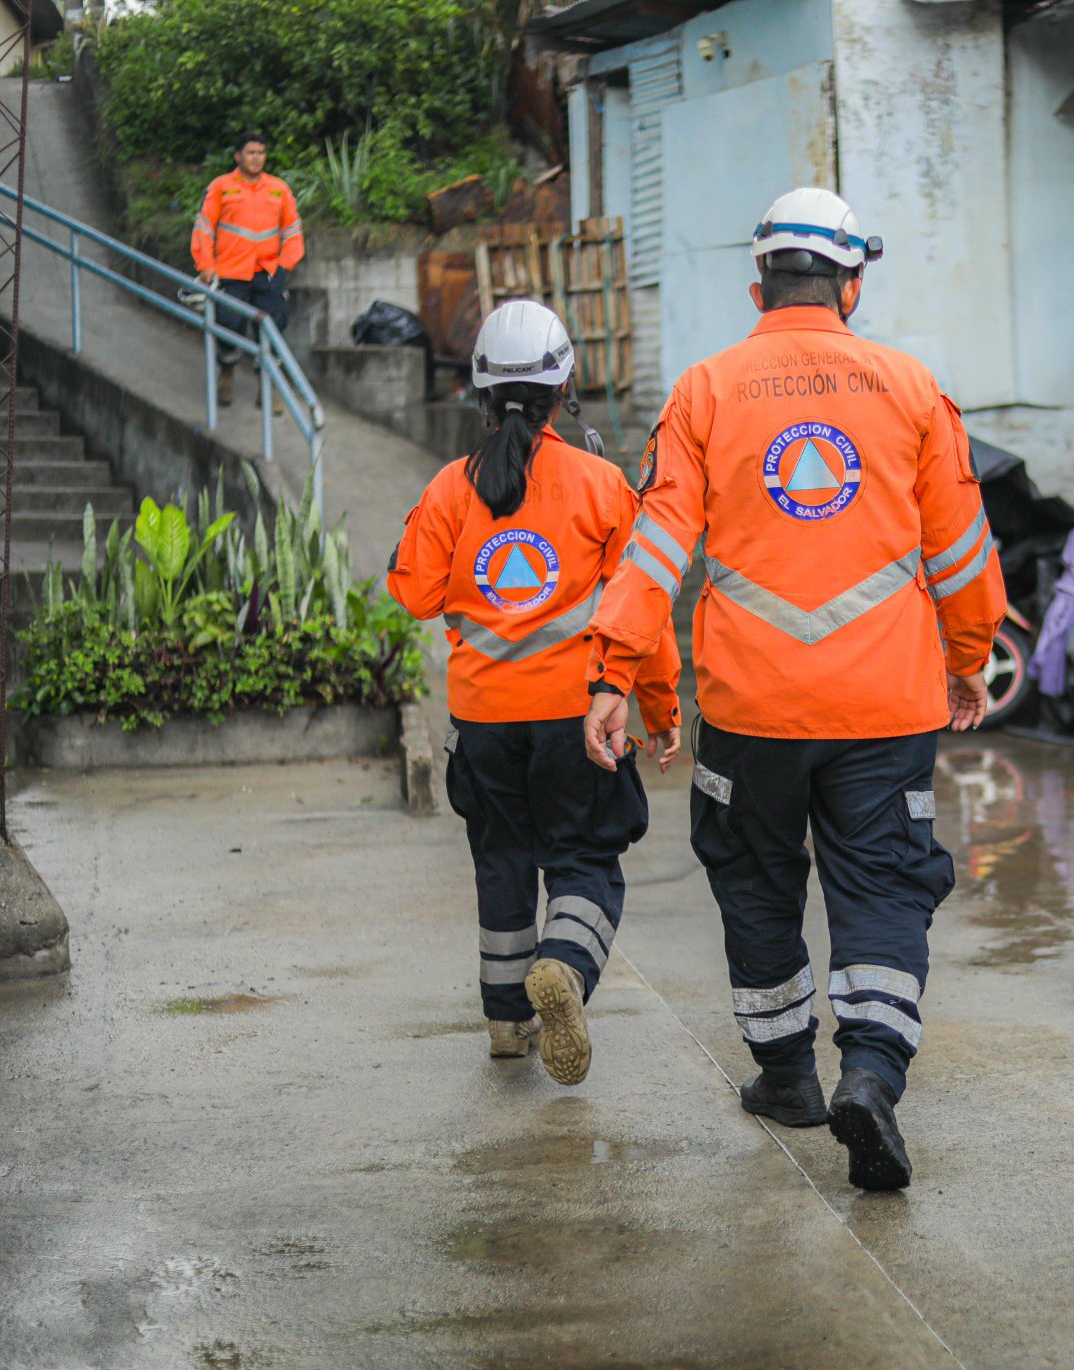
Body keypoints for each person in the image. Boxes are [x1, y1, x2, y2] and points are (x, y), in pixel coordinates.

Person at [580, 188, 1006, 1190]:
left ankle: (786, 1078)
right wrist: (968, 653)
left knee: (757, 882)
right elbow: (959, 547)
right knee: (883, 886)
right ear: (852, 285)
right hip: (885, 710)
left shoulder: (706, 390)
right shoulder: (910, 388)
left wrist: (614, 673)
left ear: (757, 285)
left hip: (752, 711)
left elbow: (653, 549)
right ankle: (870, 1070)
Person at [387, 301, 683, 1085]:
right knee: (584, 859)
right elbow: (642, 609)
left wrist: (436, 513)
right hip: (577, 721)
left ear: (481, 395)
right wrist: (659, 705)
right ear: (565, 388)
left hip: (483, 724)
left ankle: (506, 1021)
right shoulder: (601, 484)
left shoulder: (453, 487)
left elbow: (411, 590)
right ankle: (563, 967)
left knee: (502, 862)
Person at [190, 131, 303, 411]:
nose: (257, 158)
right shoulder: (221, 187)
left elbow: (293, 232)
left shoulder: (278, 188)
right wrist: (206, 266)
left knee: (274, 327)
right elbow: (204, 228)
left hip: (268, 272)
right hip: (231, 272)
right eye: (251, 152)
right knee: (229, 323)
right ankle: (227, 371)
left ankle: (268, 386)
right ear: (237, 156)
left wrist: (284, 264)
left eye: (261, 153)